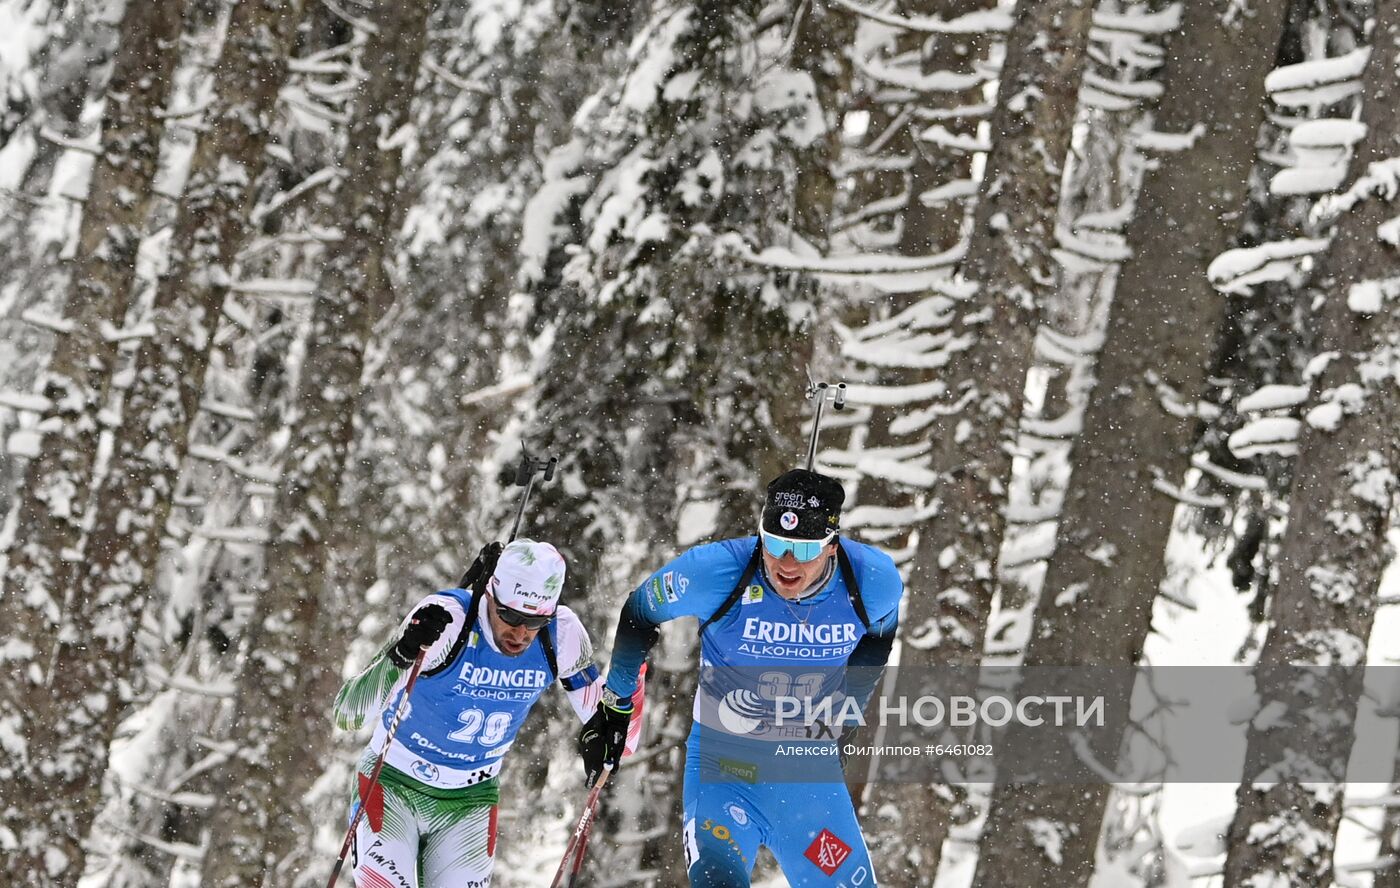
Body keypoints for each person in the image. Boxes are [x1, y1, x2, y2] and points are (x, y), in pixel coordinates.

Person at [578, 469, 903, 887]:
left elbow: (878, 637)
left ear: (832, 546)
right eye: (776, 544)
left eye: (803, 550)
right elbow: (640, 612)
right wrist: (616, 704)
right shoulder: (717, 571)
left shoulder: (872, 580)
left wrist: (847, 710)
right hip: (723, 769)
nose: (786, 564)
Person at [333, 539, 603, 888]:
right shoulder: (446, 620)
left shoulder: (561, 635)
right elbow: (347, 714)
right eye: (511, 616)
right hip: (393, 782)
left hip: (470, 802)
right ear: (491, 593)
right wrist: (400, 656)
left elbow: (617, 737)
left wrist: (624, 687)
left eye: (536, 620)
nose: (521, 633)